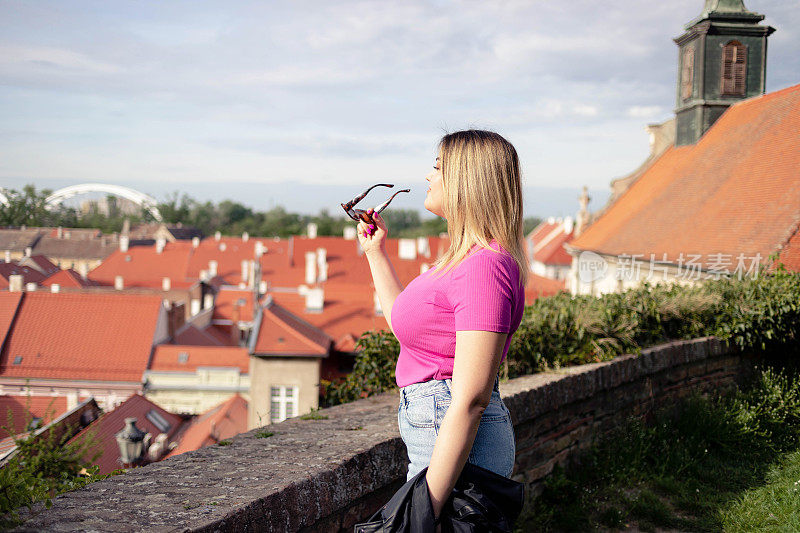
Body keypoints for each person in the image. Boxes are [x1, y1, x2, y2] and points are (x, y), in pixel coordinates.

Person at [356, 129, 529, 527]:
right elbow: (403, 320)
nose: (429, 177)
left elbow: (470, 398)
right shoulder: (465, 259)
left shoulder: (483, 266)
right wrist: (375, 252)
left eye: (438, 167)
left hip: (448, 426)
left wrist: (425, 511)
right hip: (440, 425)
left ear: (468, 181)